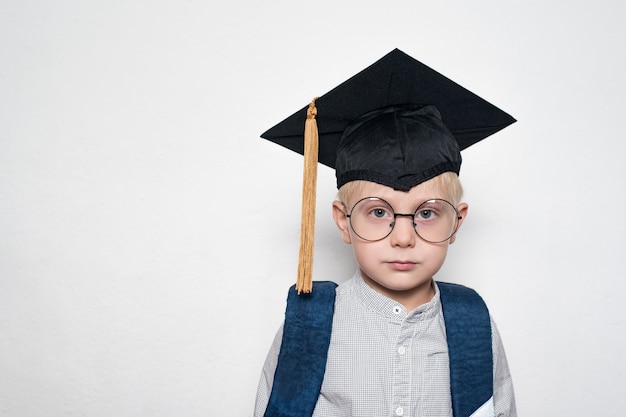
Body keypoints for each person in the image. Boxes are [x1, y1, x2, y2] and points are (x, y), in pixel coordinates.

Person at [254, 49, 517, 417]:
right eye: (378, 212)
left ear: (457, 221)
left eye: (427, 213)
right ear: (343, 221)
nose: (404, 238)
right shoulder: (309, 325)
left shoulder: (472, 322)